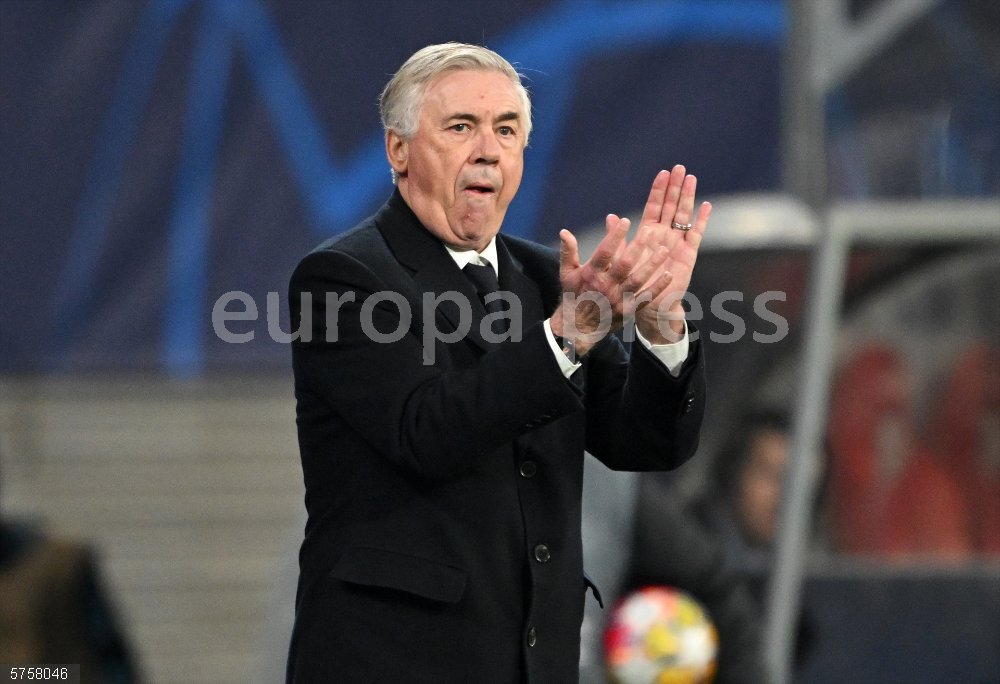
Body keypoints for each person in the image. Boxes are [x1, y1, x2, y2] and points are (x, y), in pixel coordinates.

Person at [285, 42, 711, 682]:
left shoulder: (542, 278)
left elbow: (645, 442)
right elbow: (426, 433)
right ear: (398, 150)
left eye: (506, 130)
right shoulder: (343, 280)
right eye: (461, 127)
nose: (488, 148)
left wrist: (661, 323)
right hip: (394, 662)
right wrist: (568, 336)